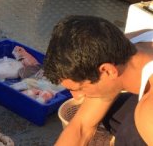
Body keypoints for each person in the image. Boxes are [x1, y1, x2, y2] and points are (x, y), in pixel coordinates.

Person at [44, 15, 153, 146]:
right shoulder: (124, 45)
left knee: (129, 135)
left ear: (107, 70)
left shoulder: (149, 114)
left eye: (80, 89)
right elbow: (81, 127)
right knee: (112, 110)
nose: (78, 97)